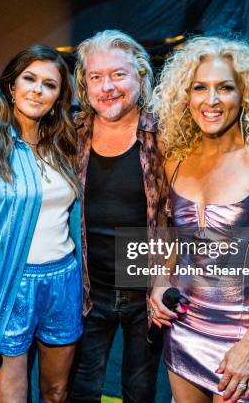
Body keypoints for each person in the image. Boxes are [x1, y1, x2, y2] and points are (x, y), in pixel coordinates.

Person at [151, 36, 249, 403]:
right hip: (184, 327)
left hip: (243, 338)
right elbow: (172, 238)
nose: (211, 100)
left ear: (245, 94)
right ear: (185, 96)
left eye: (225, 88)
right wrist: (159, 282)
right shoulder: (175, 160)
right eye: (199, 88)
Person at [0, 45, 82, 403]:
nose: (37, 90)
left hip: (64, 280)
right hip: (13, 283)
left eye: (49, 84)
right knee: (11, 397)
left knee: (57, 392)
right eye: (29, 79)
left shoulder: (64, 145)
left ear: (59, 96)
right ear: (12, 86)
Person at [69, 30, 167, 403]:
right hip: (87, 289)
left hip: (146, 291)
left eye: (118, 74)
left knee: (139, 391)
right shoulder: (72, 133)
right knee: (82, 390)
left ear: (141, 76)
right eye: (96, 77)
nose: (107, 86)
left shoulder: (166, 133)